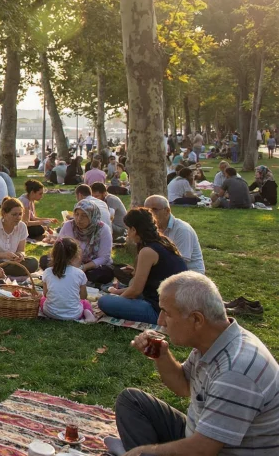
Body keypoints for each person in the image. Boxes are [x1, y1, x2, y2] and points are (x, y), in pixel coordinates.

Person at [110, 272, 279, 456]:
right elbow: (184, 386)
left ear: (197, 319)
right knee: (132, 401)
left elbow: (202, 450)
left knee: (143, 453)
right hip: (202, 436)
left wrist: (143, 451)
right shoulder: (215, 340)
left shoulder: (235, 372)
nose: (160, 321)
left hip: (215, 450)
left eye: (166, 313)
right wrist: (162, 356)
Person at [98, 208, 187, 324]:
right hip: (174, 304)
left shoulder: (147, 251)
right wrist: (117, 292)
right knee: (120, 292)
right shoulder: (163, 242)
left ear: (134, 230)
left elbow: (136, 290)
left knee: (104, 301)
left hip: (160, 310)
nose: (128, 234)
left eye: (128, 229)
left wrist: (118, 299)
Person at [49, 200, 115, 284]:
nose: (79, 219)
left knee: (105, 273)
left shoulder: (103, 229)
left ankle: (73, 277)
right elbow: (58, 247)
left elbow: (104, 257)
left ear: (92, 216)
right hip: (69, 264)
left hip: (91, 267)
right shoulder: (68, 225)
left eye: (84, 215)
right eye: (77, 214)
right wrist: (70, 265)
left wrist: (84, 267)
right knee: (46, 260)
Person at [143, 195, 204, 273]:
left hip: (189, 277)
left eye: (154, 209)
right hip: (168, 271)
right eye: (147, 210)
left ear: (167, 211)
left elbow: (180, 264)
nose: (150, 214)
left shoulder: (182, 230)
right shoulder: (151, 229)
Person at [40, 238, 95, 322]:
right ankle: (88, 315)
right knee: (85, 303)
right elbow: (83, 296)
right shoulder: (79, 273)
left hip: (50, 312)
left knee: (42, 299)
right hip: (74, 314)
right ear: (75, 256)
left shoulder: (47, 272)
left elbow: (46, 294)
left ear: (53, 254)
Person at [0, 197, 39, 273]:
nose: (18, 218)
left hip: (12, 263)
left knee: (33, 263)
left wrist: (20, 255)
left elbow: (21, 250)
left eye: (20, 214)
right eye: (14, 214)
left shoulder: (22, 226)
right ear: (4, 214)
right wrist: (4, 255)